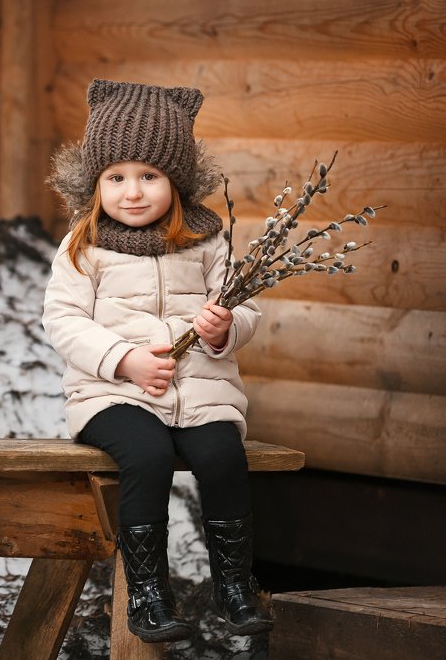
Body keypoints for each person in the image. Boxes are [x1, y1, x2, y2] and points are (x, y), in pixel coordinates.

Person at [42, 79, 273, 643]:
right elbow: (63, 321)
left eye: (150, 176)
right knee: (144, 455)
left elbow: (245, 307)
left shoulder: (207, 241)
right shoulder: (84, 244)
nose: (133, 192)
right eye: (116, 177)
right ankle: (148, 596)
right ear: (95, 182)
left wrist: (224, 330)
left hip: (202, 392)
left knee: (222, 455)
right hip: (114, 396)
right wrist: (124, 361)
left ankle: (234, 587)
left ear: (178, 181)